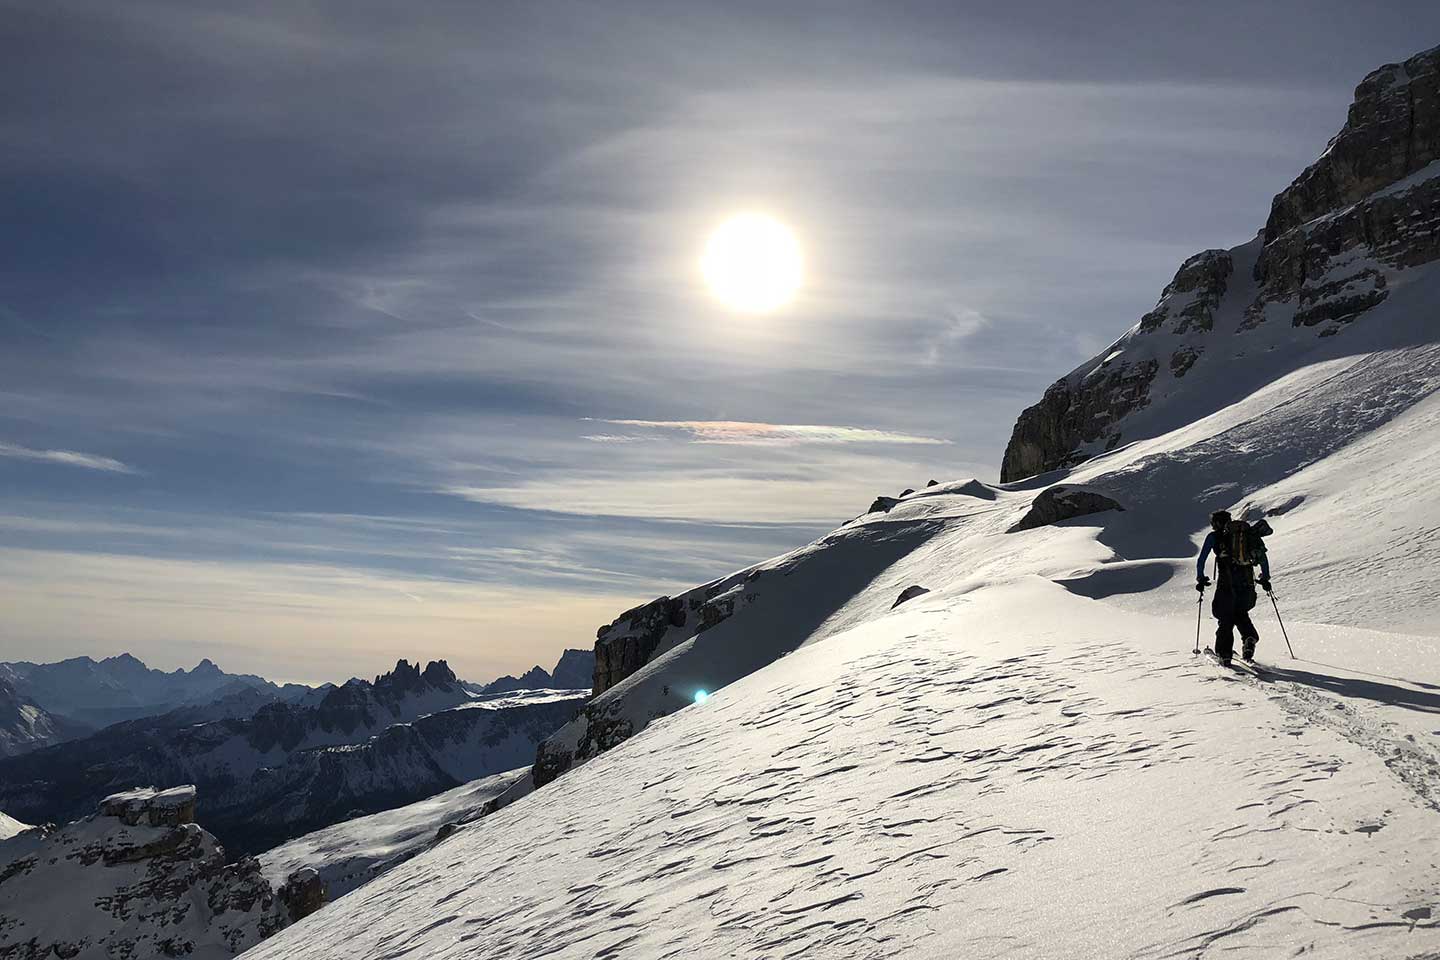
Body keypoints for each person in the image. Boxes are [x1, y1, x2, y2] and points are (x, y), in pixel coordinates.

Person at [1195, 510, 1272, 664]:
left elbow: (1201, 559)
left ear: (1215, 523)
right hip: (1247, 584)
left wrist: (1201, 578)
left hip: (1226, 585)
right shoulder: (1247, 534)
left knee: (1225, 618)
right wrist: (1265, 577)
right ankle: (1249, 637)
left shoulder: (1214, 537)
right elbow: (1263, 558)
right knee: (1241, 613)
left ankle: (1224, 655)